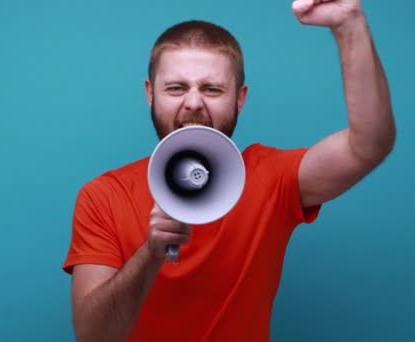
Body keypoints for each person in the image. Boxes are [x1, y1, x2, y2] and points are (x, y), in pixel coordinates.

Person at [62, 0, 396, 341]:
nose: (193, 103)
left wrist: (347, 23)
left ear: (240, 98)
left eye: (212, 89)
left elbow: (368, 144)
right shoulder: (104, 196)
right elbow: (94, 336)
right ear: (150, 94)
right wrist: (151, 252)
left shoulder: (269, 178)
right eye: (176, 88)